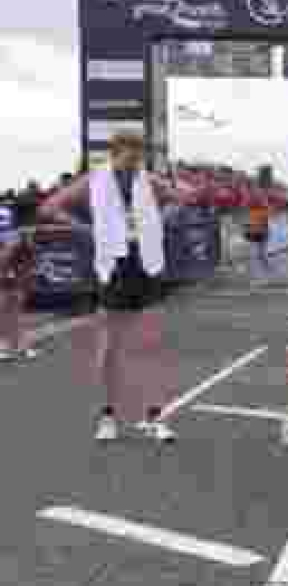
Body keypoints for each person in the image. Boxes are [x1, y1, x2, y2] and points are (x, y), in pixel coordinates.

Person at [40, 130, 192, 442]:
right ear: (115, 151)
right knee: (110, 346)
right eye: (132, 151)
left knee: (149, 342)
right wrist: (88, 229)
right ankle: (108, 416)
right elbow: (50, 207)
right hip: (114, 266)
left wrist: (158, 220)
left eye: (140, 151)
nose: (137, 157)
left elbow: (184, 199)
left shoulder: (147, 179)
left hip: (145, 262)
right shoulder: (95, 179)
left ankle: (153, 416)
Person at [0, 211, 38, 362]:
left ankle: (21, 347)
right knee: (4, 315)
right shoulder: (13, 238)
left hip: (15, 282)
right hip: (3, 282)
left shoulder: (18, 236)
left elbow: (28, 258)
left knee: (16, 315)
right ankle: (4, 347)